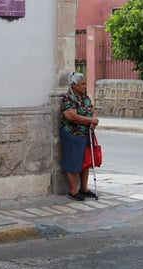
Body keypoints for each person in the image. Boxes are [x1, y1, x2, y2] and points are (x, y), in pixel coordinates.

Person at [60, 72, 99, 201]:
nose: (84, 86)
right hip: (72, 134)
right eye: (82, 84)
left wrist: (94, 119)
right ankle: (73, 191)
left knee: (86, 162)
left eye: (85, 84)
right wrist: (90, 121)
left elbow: (92, 110)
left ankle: (84, 188)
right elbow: (71, 116)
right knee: (73, 162)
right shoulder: (69, 98)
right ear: (74, 84)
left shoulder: (85, 97)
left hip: (86, 134)